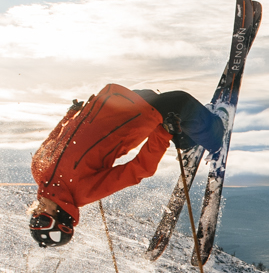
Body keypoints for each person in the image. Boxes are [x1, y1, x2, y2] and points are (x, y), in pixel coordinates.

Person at [27, 85, 223, 246]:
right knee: (180, 102)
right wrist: (162, 133)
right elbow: (138, 170)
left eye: (35, 219)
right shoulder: (83, 191)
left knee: (150, 94)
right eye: (43, 220)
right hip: (133, 120)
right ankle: (216, 135)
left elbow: (54, 138)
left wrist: (70, 115)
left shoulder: (38, 171)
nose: (37, 213)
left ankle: (185, 139)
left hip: (108, 105)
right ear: (62, 219)